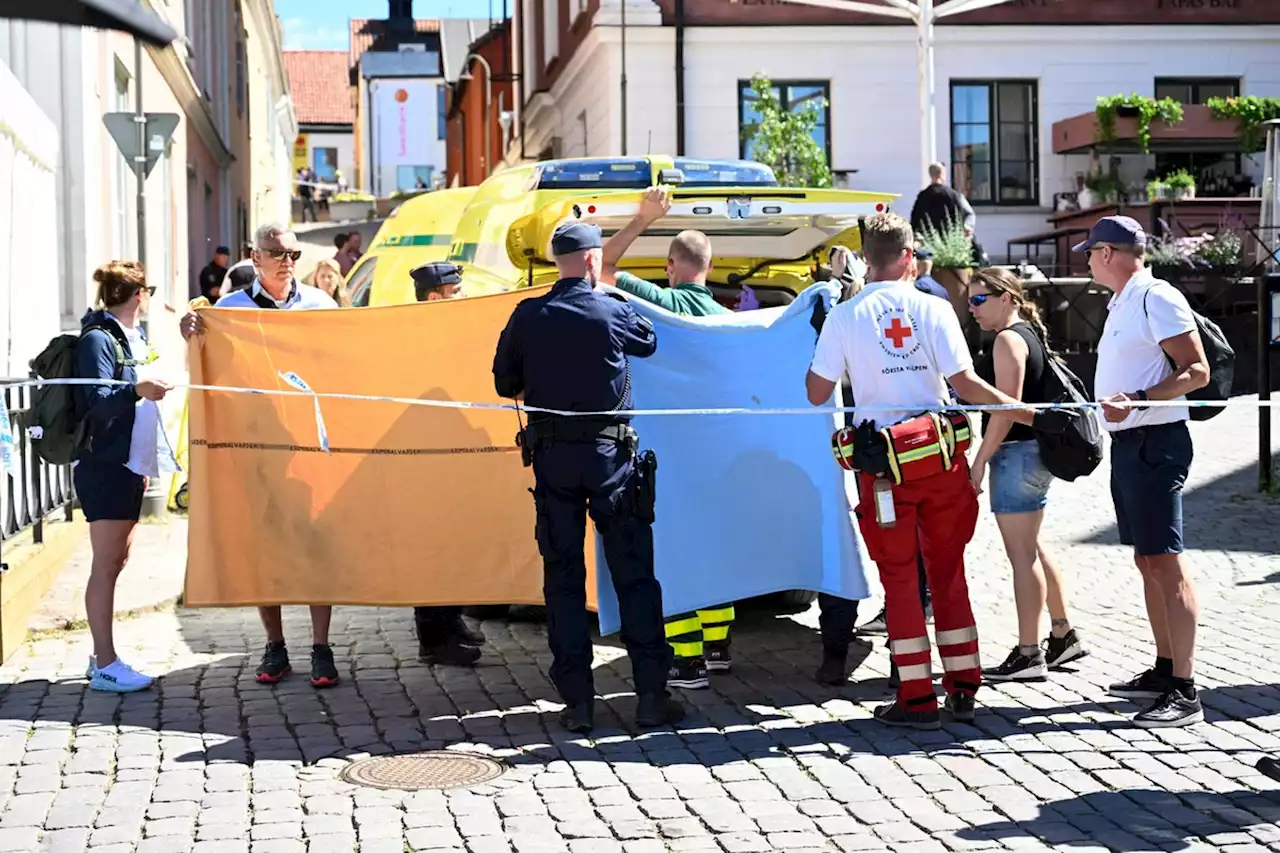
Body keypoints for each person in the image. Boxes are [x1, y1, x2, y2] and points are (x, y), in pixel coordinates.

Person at [804, 212, 1038, 730]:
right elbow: (966, 382)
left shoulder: (845, 316)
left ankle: (915, 699)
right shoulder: (935, 308)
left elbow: (816, 393)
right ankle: (963, 687)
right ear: (910, 256)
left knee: (901, 581)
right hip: (939, 458)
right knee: (949, 572)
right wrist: (1016, 409)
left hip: (882, 468)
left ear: (866, 259)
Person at [492, 221, 683, 734]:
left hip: (554, 460)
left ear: (559, 261)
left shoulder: (527, 315)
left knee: (564, 581)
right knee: (634, 577)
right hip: (610, 460)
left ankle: (578, 703)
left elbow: (503, 381)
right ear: (595, 261)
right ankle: (649, 697)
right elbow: (649, 343)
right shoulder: (614, 310)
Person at [181, 223, 342, 688]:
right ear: (255, 256)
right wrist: (190, 331)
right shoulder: (228, 310)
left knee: (317, 543)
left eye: (293, 252)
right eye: (277, 252)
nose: (287, 260)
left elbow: (342, 365)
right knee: (264, 545)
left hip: (310, 444)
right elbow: (206, 367)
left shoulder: (321, 305)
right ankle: (276, 646)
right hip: (255, 446)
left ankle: (322, 647)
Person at [599, 186, 736, 691]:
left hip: (670, 456)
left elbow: (604, 266)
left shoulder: (660, 299)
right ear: (710, 264)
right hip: (720, 458)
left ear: (672, 264)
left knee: (674, 552)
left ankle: (687, 660)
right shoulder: (729, 322)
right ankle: (719, 647)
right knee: (715, 549)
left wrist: (643, 217)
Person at [1078, 215, 1209, 728]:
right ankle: (1164, 668)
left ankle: (1186, 689)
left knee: (1167, 563)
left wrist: (1136, 399)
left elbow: (1196, 371)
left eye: (1090, 252)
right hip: (1131, 443)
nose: (1087, 260)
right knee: (1148, 561)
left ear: (1108, 253)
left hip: (1157, 443)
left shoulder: (1157, 296)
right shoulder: (1123, 300)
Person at [966, 267, 1089, 682]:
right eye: (970, 300)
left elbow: (1006, 411)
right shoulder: (1030, 334)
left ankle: (1028, 652)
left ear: (1006, 298)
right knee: (1032, 548)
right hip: (1033, 456)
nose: (972, 308)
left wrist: (980, 459)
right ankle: (1062, 634)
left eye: (979, 299)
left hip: (1017, 455)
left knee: (1021, 557)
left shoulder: (1007, 340)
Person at [74, 261, 176, 692]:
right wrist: (136, 389)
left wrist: (145, 464)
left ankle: (101, 656)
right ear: (140, 295)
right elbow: (94, 399)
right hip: (104, 467)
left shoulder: (131, 337)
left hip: (129, 465)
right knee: (105, 564)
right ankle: (105, 663)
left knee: (116, 561)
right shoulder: (99, 338)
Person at [408, 261, 487, 665]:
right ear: (436, 296)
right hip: (426, 462)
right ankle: (433, 638)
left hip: (452, 457)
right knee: (432, 548)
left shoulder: (446, 334)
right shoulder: (417, 337)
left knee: (455, 541)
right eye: (457, 291)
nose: (463, 297)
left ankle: (450, 618)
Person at [909, 162, 975, 241]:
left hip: (928, 242)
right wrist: (967, 226)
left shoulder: (922, 197)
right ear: (942, 174)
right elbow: (968, 213)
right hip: (950, 242)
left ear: (930, 174)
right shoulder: (954, 195)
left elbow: (914, 220)